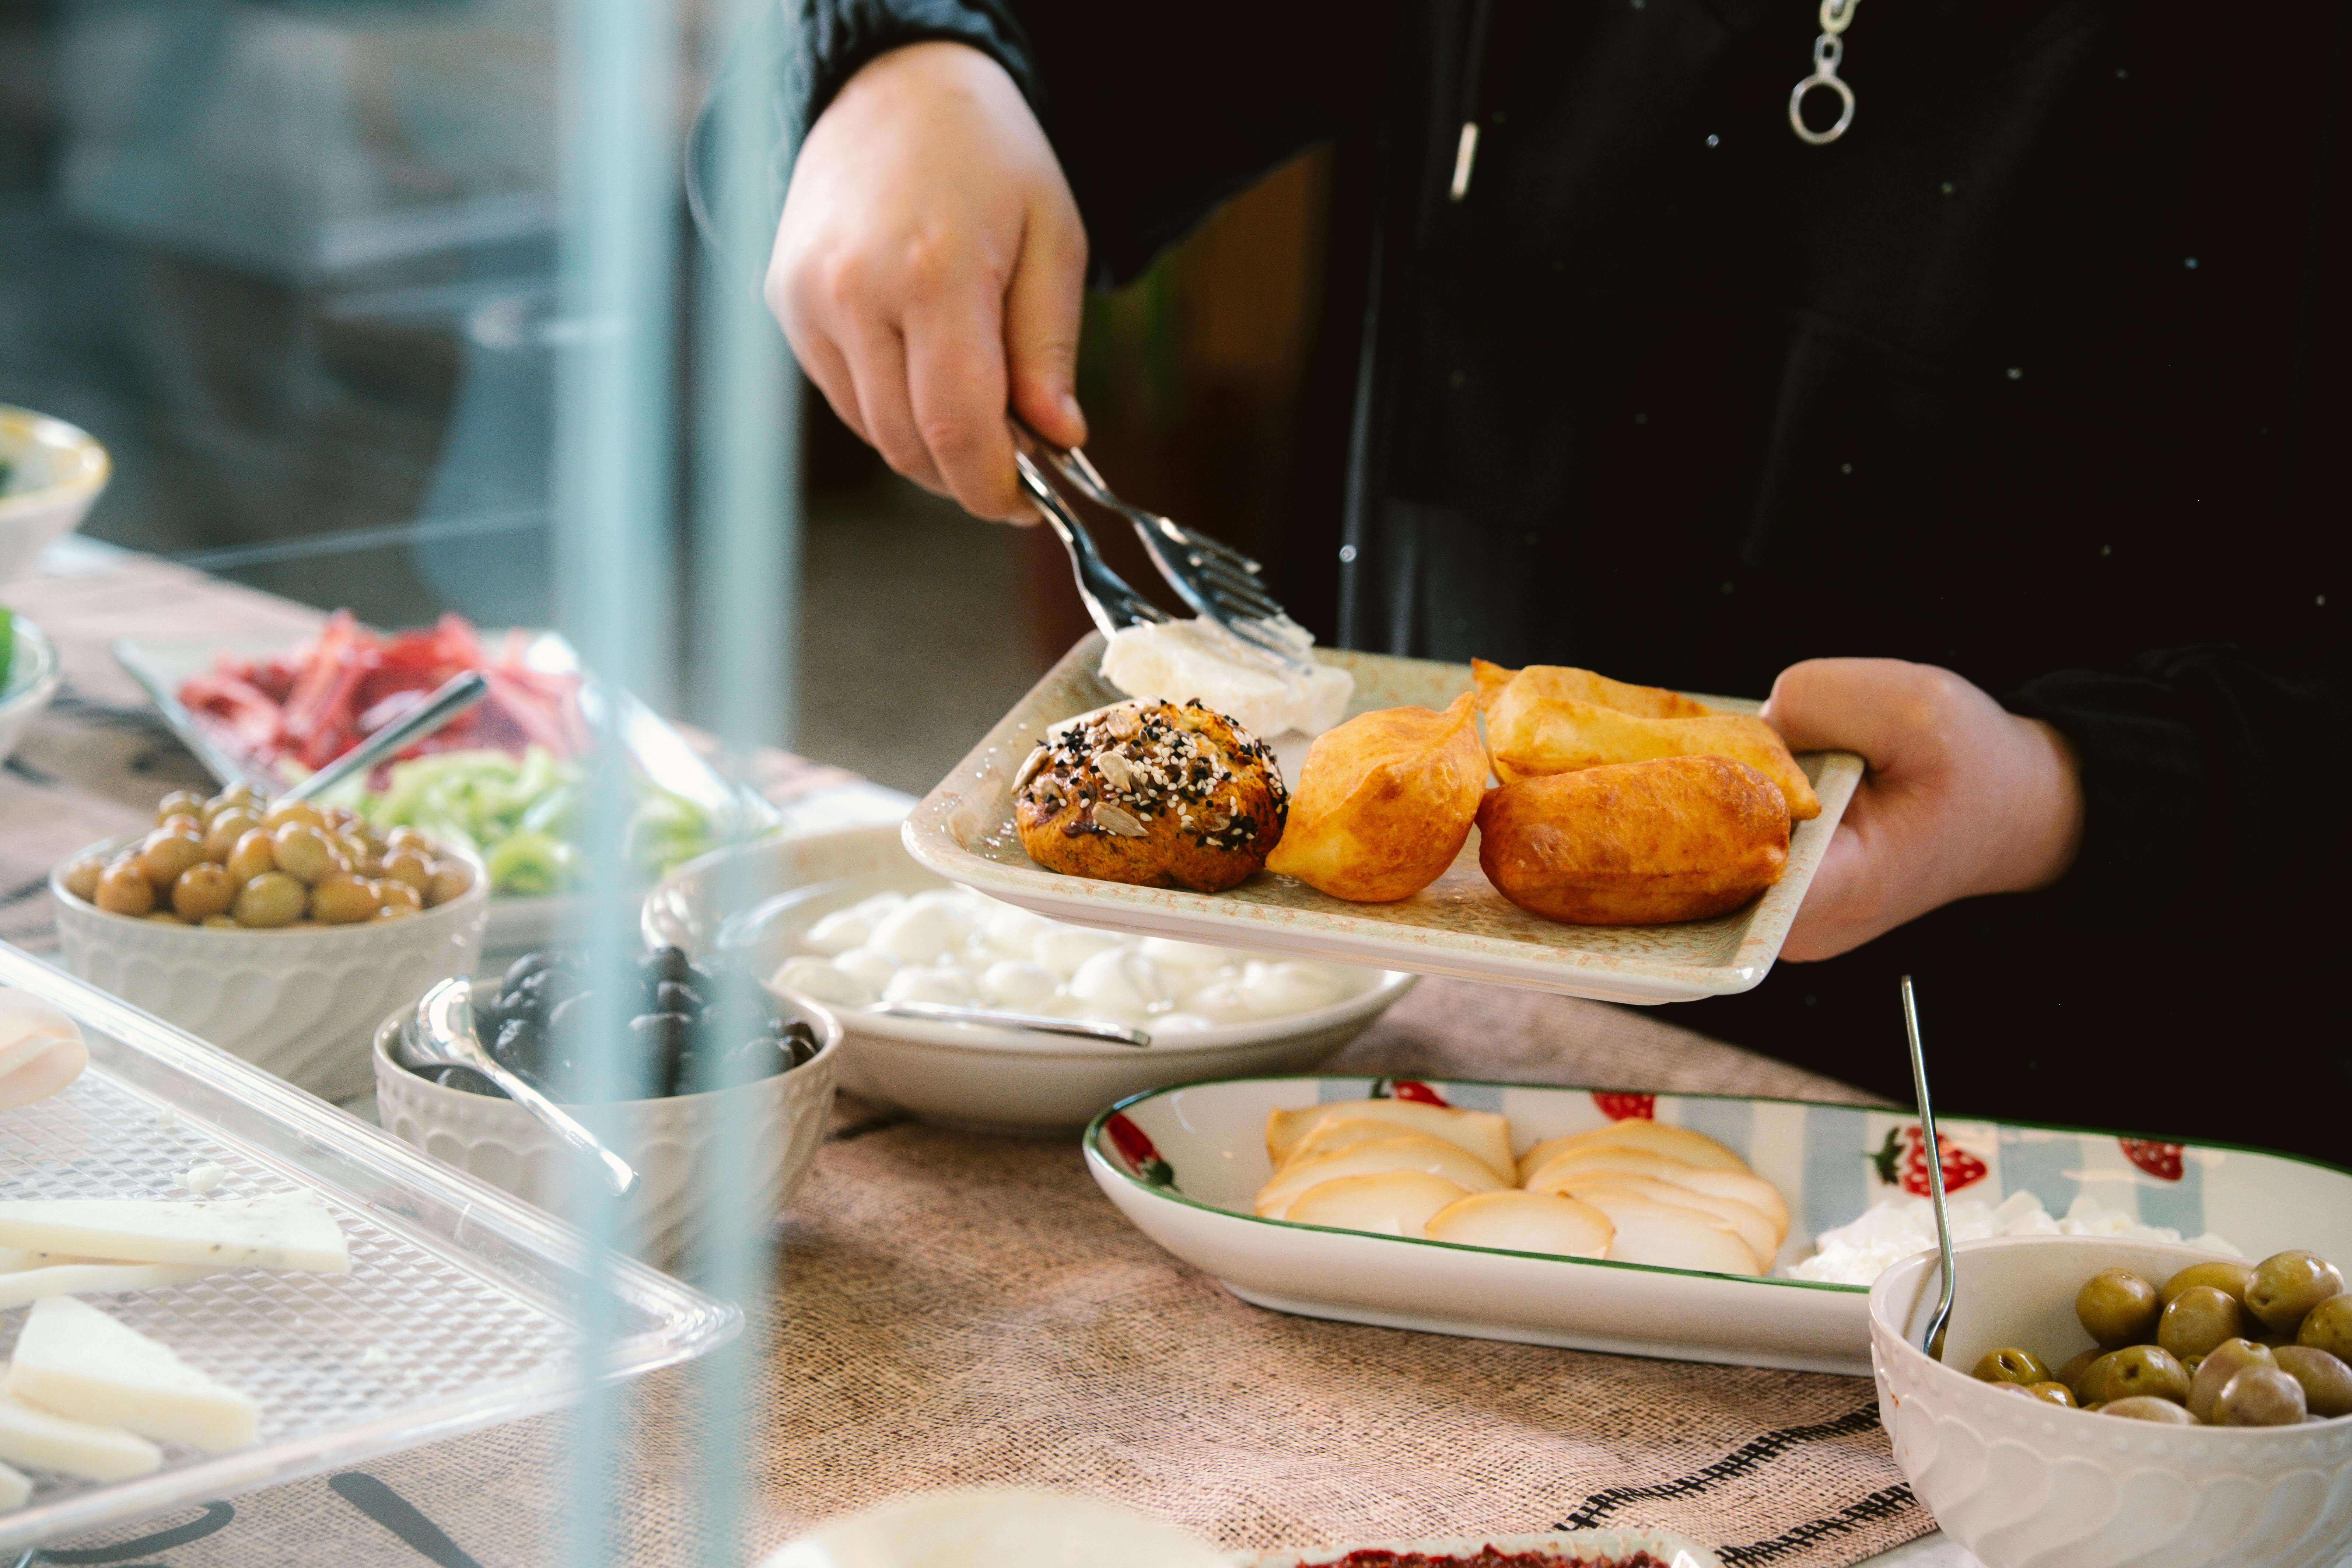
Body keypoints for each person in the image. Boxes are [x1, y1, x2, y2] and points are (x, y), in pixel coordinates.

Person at [766, 4, 2350, 1163]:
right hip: (1389, 1087)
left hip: (2071, 1158)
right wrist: (899, 74)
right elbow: (992, 65)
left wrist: (2071, 788)